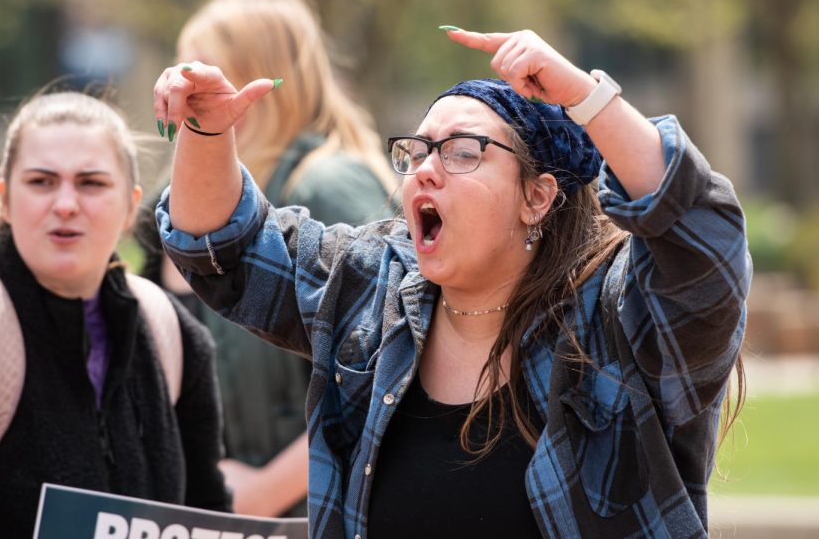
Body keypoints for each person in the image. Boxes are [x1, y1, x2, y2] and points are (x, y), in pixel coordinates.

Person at [152, 28, 751, 538]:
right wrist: (207, 132)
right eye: (417, 151)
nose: (426, 170)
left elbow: (701, 236)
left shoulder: (616, 315)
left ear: (538, 197)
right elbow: (225, 252)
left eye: (464, 152)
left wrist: (586, 98)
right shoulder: (373, 284)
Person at [0, 92, 229, 538]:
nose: (65, 203)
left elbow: (207, 514)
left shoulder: (174, 335)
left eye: (91, 183)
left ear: (130, 206)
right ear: (5, 200)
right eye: (42, 182)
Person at [138, 0, 396, 517]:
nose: (187, 92)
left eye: (203, 74)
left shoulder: (326, 184)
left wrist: (262, 491)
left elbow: (388, 369)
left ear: (258, 77)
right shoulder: (199, 199)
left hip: (302, 513)